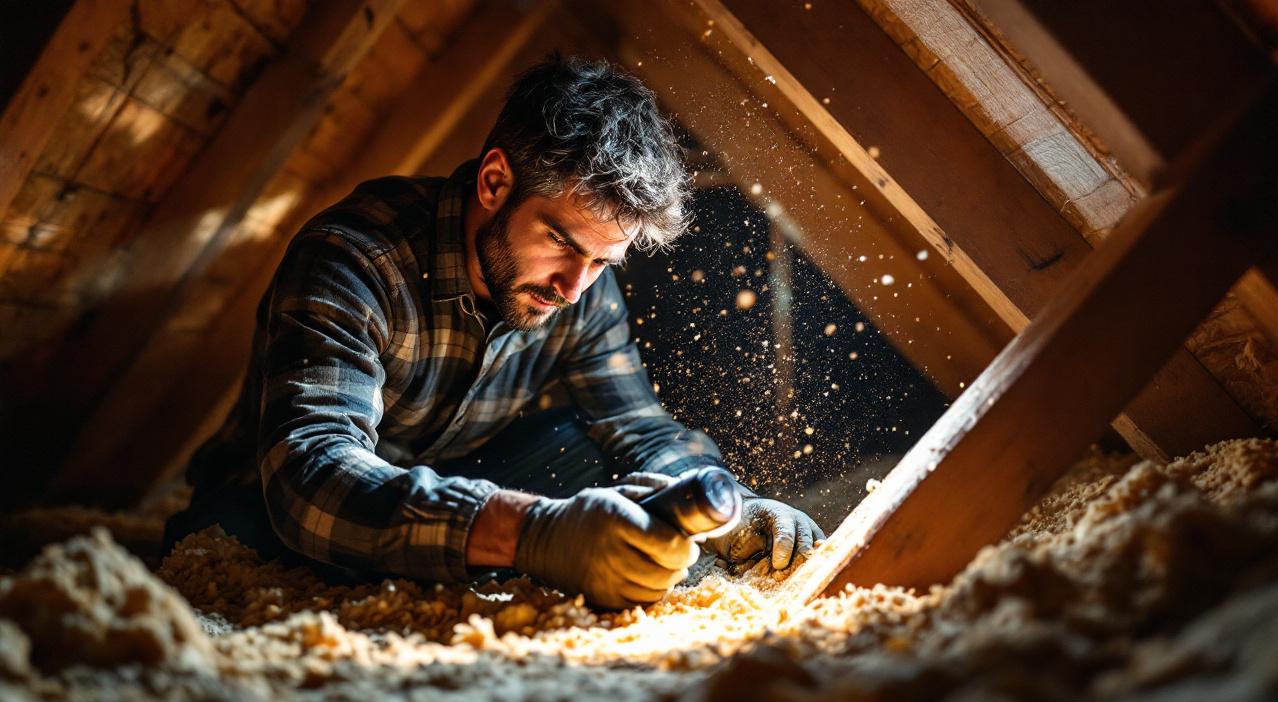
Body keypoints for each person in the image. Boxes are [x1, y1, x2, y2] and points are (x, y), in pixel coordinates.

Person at [164, 55, 824, 609]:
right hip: (272, 513)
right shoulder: (354, 257)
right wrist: (531, 533)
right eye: (560, 242)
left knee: (586, 449)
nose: (574, 285)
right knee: (219, 544)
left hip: (440, 486)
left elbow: (639, 431)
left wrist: (729, 511)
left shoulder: (582, 290)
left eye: (601, 261)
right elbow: (311, 475)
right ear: (495, 180)